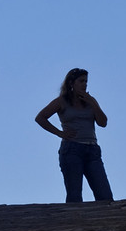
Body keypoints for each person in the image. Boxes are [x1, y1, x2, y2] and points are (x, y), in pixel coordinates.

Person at [35, 67, 113, 203]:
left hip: (92, 149)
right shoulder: (61, 101)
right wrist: (60, 133)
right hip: (72, 149)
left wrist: (93, 103)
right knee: (74, 195)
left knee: (104, 194)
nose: (84, 84)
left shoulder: (90, 101)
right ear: (71, 83)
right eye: (81, 81)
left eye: (86, 82)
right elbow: (40, 117)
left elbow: (103, 122)